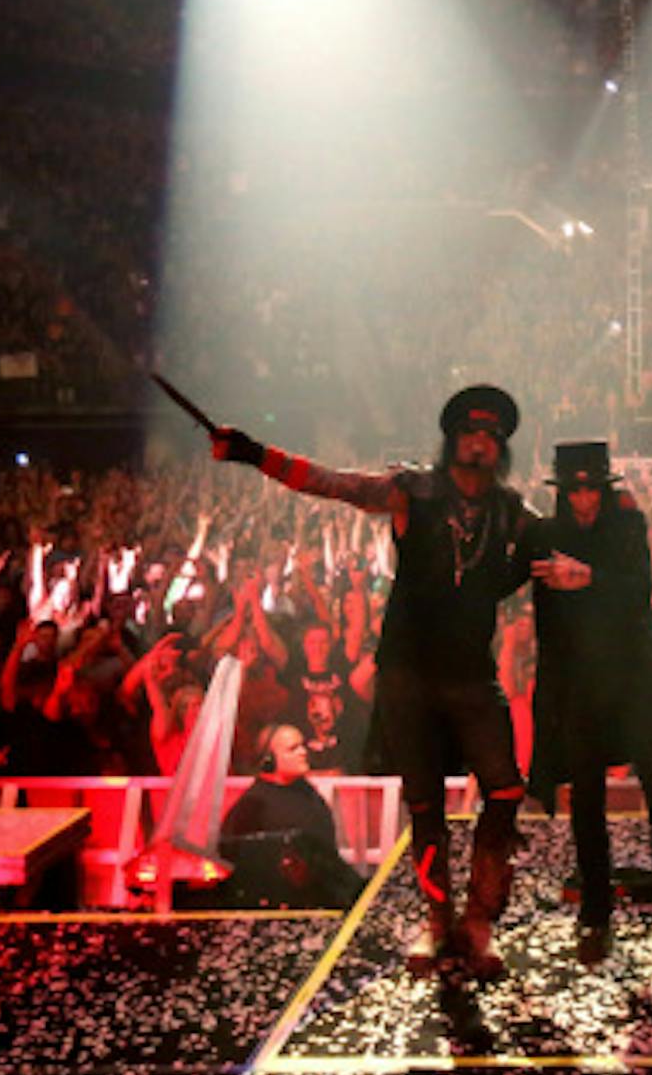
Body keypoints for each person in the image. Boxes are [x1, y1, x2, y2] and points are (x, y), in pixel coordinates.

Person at [211, 384, 552, 978]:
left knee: (503, 789)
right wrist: (253, 453)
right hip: (408, 674)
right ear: (453, 441)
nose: (479, 443)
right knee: (424, 803)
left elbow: (567, 538)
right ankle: (439, 920)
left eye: (490, 436)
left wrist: (609, 522)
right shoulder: (411, 491)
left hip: (471, 674)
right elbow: (332, 483)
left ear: (501, 448)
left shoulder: (511, 511)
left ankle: (479, 920)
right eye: (470, 433)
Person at [522, 440, 652, 991]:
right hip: (581, 683)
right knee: (587, 798)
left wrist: (588, 577)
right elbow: (547, 626)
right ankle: (595, 913)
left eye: (591, 489)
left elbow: (639, 589)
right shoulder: (547, 536)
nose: (583, 499)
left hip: (633, 678)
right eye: (574, 490)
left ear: (604, 488)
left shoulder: (628, 526)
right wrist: (551, 700)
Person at [219, 722, 365, 909]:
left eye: (302, 745)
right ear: (269, 760)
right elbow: (232, 857)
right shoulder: (253, 804)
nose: (303, 752)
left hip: (323, 896)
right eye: (292, 748)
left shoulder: (306, 791)